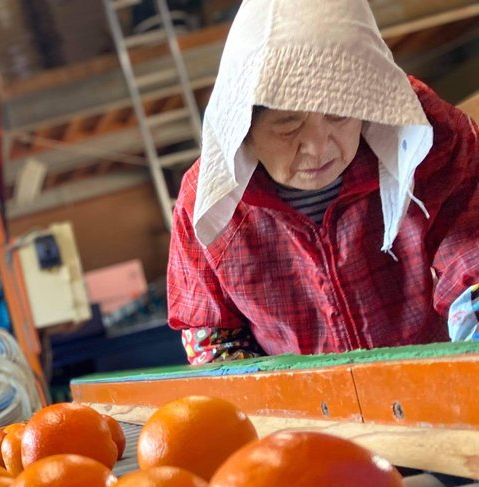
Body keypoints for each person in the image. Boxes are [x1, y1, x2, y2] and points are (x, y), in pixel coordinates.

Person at [167, 0, 479, 364]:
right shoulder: (206, 206)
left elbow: (470, 254)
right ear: (242, 128)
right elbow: (211, 334)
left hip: (429, 380)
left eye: (339, 115)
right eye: (288, 124)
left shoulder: (427, 137)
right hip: (305, 411)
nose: (318, 148)